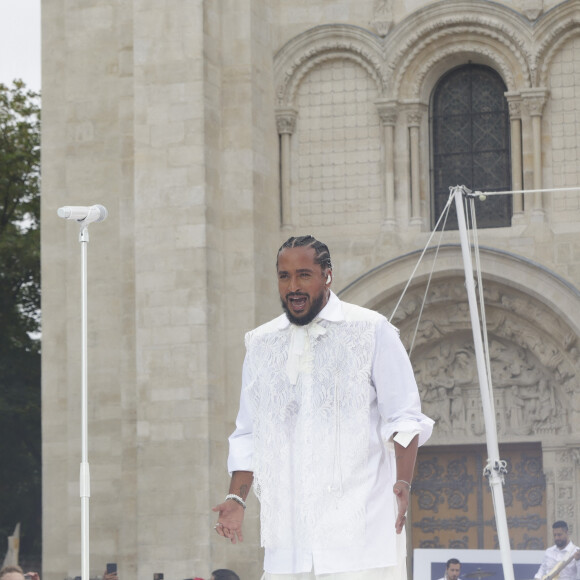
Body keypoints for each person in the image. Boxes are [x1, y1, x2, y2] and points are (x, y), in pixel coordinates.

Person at [212, 235, 434, 579]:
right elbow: (249, 433)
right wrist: (237, 500)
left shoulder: (371, 330)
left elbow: (404, 417)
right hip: (290, 546)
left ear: (327, 276)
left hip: (362, 540)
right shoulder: (261, 343)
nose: (293, 286)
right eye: (284, 276)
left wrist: (403, 483)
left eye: (304, 275)